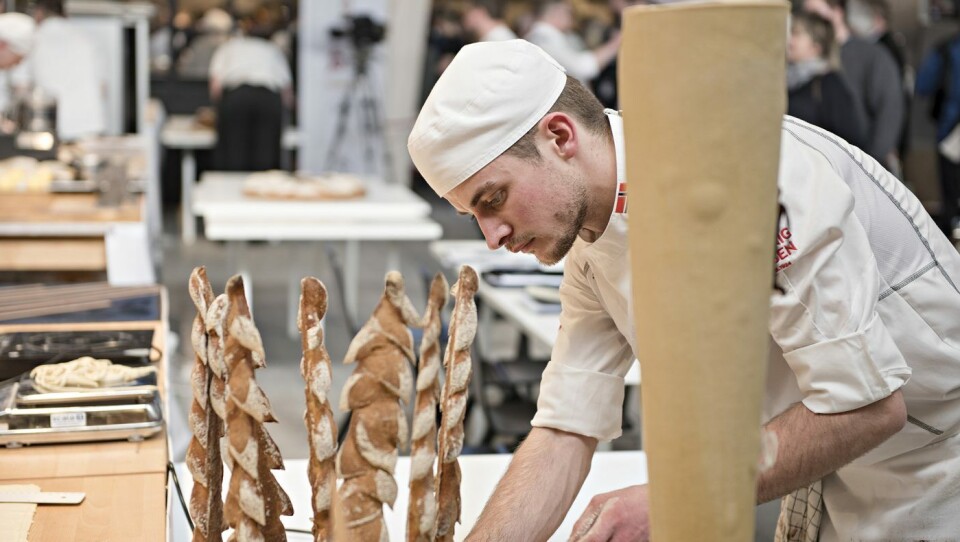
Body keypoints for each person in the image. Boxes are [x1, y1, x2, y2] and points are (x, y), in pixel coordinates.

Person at [407, 39, 960, 541]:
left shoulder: (745, 174)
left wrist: (671, 505)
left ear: (559, 136)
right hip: (828, 473)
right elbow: (564, 428)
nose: (493, 236)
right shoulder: (593, 247)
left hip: (934, 472)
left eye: (492, 199)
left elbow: (869, 406)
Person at [803, 0, 904, 174]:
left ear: (838, 11)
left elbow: (889, 113)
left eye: (816, 14)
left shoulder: (872, 57)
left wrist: (867, 168)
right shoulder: (801, 61)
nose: (809, 22)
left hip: (858, 171)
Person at [208, 13, 292, 171]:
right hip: (268, 98)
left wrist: (219, 111)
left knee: (233, 154)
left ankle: (231, 193)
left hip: (237, 97)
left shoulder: (228, 47)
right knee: (266, 159)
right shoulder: (272, 49)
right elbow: (287, 93)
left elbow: (216, 87)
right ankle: (261, 192)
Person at [787, 12, 867, 148]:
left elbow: (850, 140)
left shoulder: (829, 85)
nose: (789, 40)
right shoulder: (788, 81)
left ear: (815, 47)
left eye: (796, 34)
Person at [28, 0, 105, 140]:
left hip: (48, 128)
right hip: (89, 123)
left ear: (39, 13)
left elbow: (21, 87)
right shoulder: (86, 38)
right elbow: (102, 88)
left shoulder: (33, 39)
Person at [916, 31, 960, 239]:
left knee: (950, 195)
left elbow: (923, 85)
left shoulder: (946, 49)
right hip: (950, 132)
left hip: (950, 131)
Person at [524, 0, 620, 84]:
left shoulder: (555, 35)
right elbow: (581, 68)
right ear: (557, 12)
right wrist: (616, 42)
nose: (573, 17)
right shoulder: (544, 36)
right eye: (569, 12)